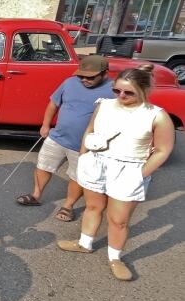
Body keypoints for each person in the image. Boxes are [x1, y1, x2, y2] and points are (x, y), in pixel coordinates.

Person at [57, 64, 175, 281]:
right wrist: (84, 156)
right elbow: (90, 130)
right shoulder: (104, 105)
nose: (121, 95)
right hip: (96, 162)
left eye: (128, 92)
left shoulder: (156, 115)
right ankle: (84, 243)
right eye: (116, 90)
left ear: (143, 90)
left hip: (129, 168)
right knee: (93, 207)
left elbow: (163, 149)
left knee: (118, 219)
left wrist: (141, 173)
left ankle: (115, 258)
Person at [16, 55, 114, 224]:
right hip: (57, 137)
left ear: (104, 73)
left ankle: (68, 206)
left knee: (77, 177)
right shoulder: (69, 83)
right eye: (81, 75)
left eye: (90, 77)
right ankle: (36, 195)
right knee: (43, 166)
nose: (84, 80)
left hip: (84, 145)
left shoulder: (114, 90)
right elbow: (54, 103)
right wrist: (45, 125)